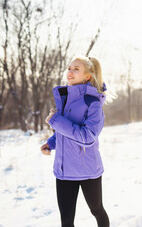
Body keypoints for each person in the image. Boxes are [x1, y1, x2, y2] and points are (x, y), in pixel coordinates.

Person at [40, 55, 110, 227]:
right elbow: (65, 132)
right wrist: (51, 143)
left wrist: (56, 120)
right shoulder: (64, 99)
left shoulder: (92, 103)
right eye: (69, 68)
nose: (70, 72)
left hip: (88, 170)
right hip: (64, 170)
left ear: (87, 76)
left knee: (97, 210)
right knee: (66, 219)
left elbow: (87, 137)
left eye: (76, 69)